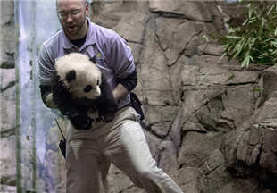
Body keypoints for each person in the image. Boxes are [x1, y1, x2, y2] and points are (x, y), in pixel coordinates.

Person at [38, 0, 184, 193]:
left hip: (118, 118)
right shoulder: (50, 50)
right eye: (63, 14)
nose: (69, 19)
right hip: (81, 127)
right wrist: (72, 106)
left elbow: (130, 79)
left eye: (75, 12)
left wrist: (104, 101)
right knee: (80, 188)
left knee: (147, 172)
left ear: (86, 9)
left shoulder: (108, 40)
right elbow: (46, 95)